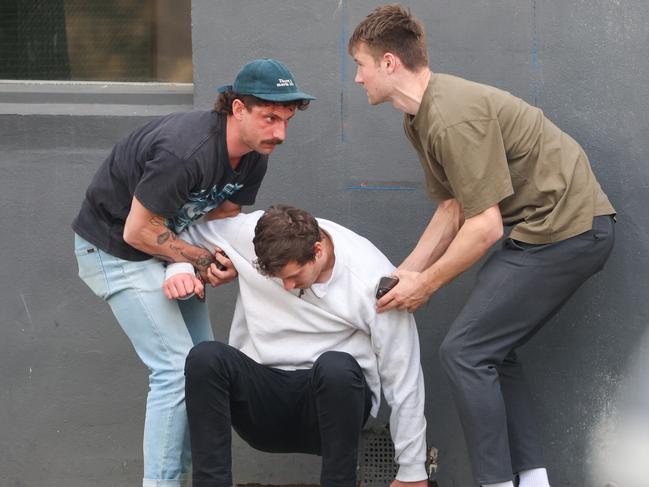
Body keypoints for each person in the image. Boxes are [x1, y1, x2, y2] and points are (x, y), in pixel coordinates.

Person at [348, 5, 615, 487]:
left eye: (360, 65)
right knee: (490, 351)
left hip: (566, 231)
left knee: (465, 352)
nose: (357, 79)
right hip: (541, 233)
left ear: (389, 63)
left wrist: (426, 285)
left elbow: (485, 227)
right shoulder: (420, 117)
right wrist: (405, 273)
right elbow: (453, 207)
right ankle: (531, 481)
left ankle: (496, 482)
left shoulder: (449, 116)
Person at [72, 59, 315, 487]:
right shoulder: (186, 152)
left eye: (286, 120)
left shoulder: (253, 157)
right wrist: (197, 260)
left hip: (160, 249)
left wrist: (211, 262)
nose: (280, 132)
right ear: (237, 109)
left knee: (203, 368)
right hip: (114, 250)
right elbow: (137, 229)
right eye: (270, 117)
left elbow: (218, 218)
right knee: (173, 369)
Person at [162, 205, 428, 487]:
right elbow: (183, 237)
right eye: (278, 279)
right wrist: (182, 269)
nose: (287, 287)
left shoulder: (371, 275)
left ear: (318, 251)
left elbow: (404, 374)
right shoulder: (245, 233)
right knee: (205, 358)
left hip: (330, 407)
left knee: (336, 366)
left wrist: (412, 472)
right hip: (262, 401)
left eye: (294, 276)